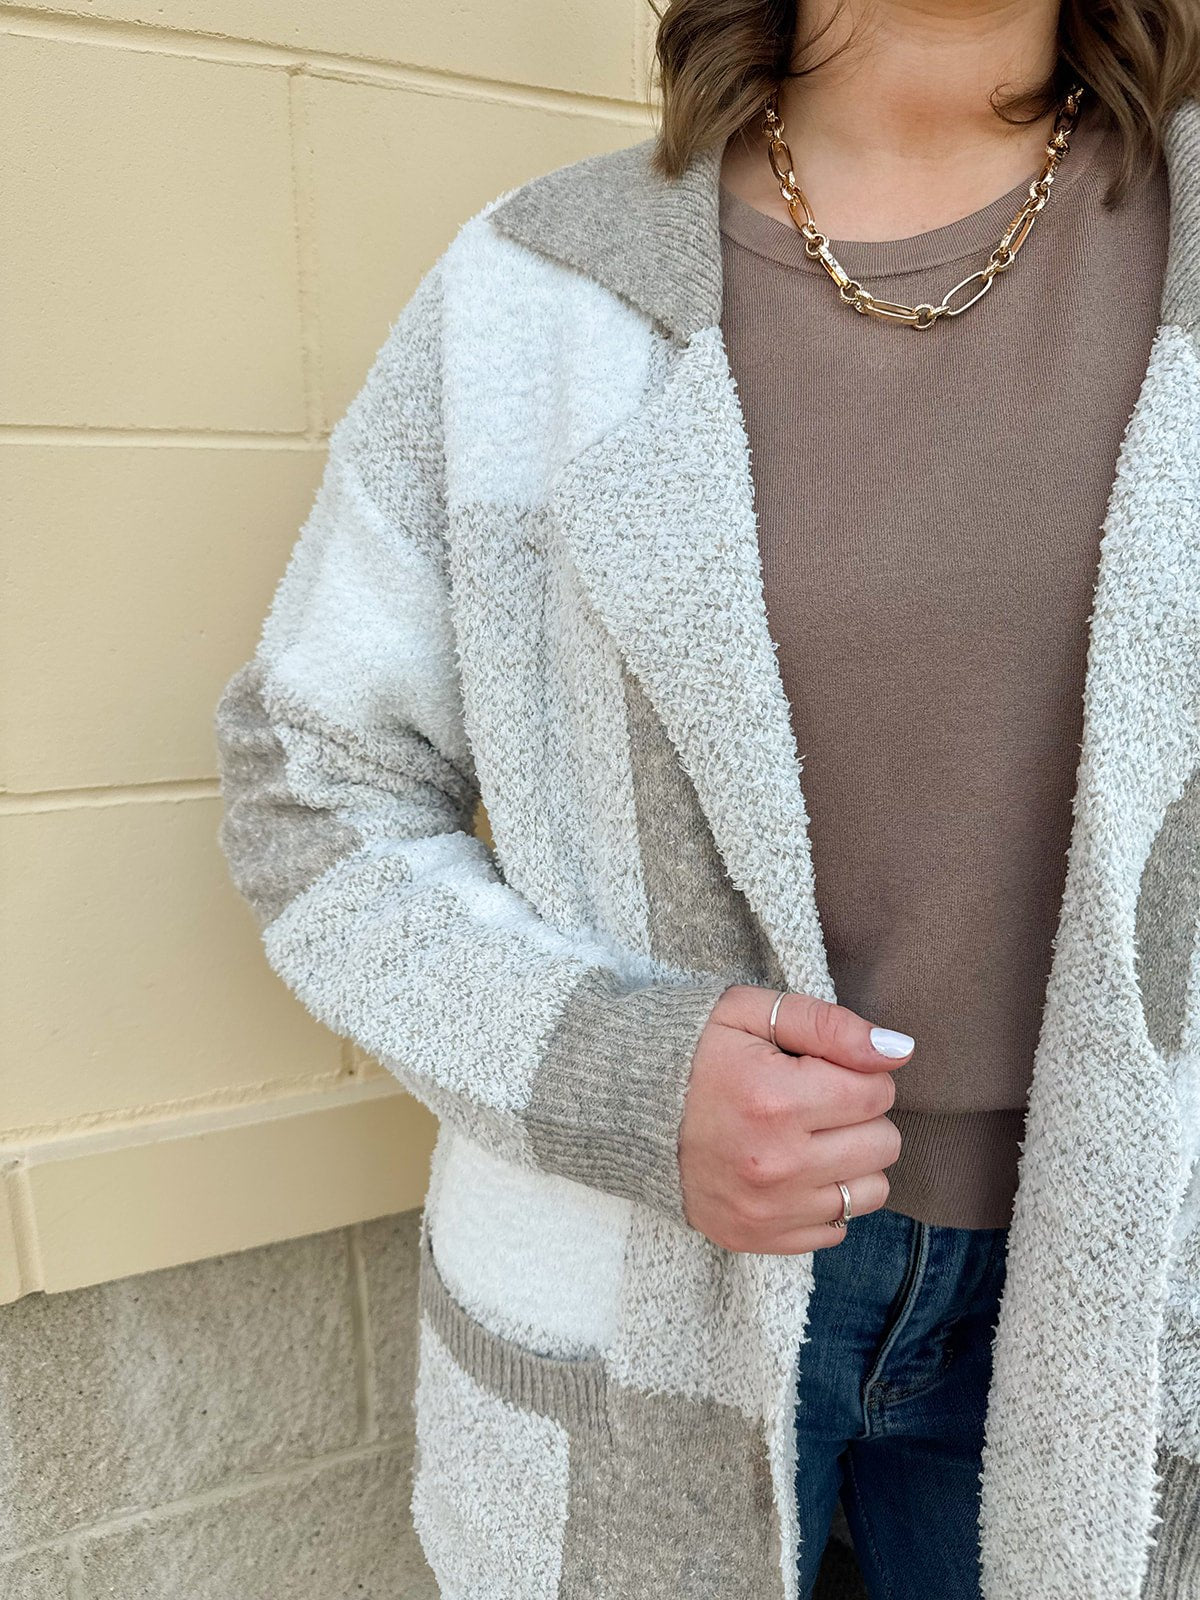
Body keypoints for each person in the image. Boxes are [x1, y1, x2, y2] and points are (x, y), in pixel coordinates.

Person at [212, 1, 1200, 1595]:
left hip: (1143, 1301)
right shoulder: (539, 288)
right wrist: (618, 1076)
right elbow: (313, 782)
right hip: (638, 1288)